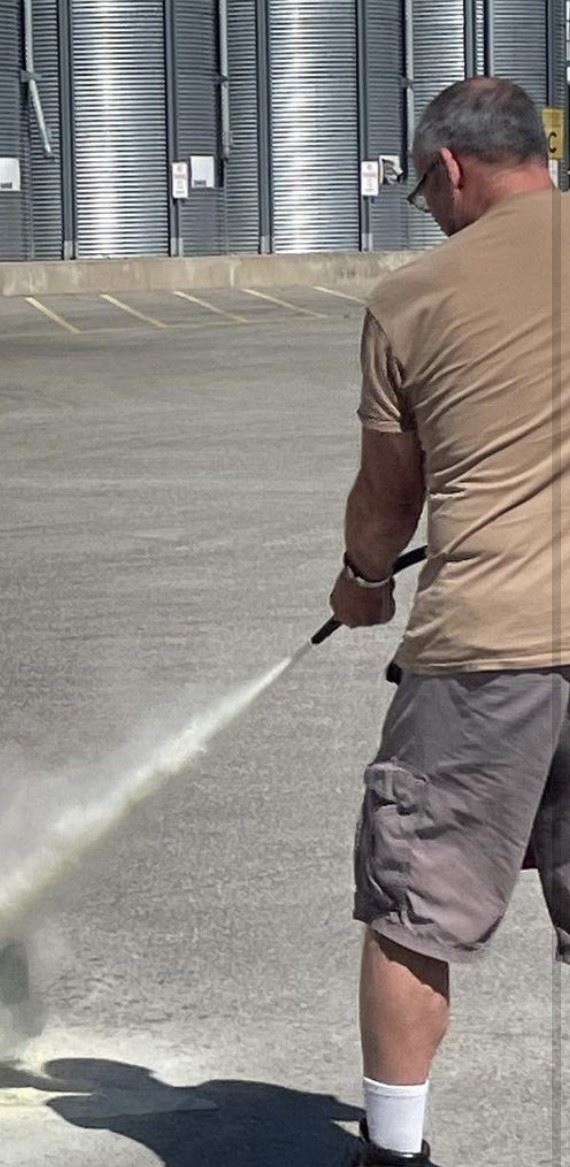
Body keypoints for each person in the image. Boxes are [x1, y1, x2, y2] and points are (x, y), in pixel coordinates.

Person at [330, 76, 569, 1166]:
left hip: (490, 648)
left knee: (414, 906)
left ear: (452, 169)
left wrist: (361, 580)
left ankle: (392, 1151)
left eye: (424, 188)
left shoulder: (415, 297)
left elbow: (389, 497)